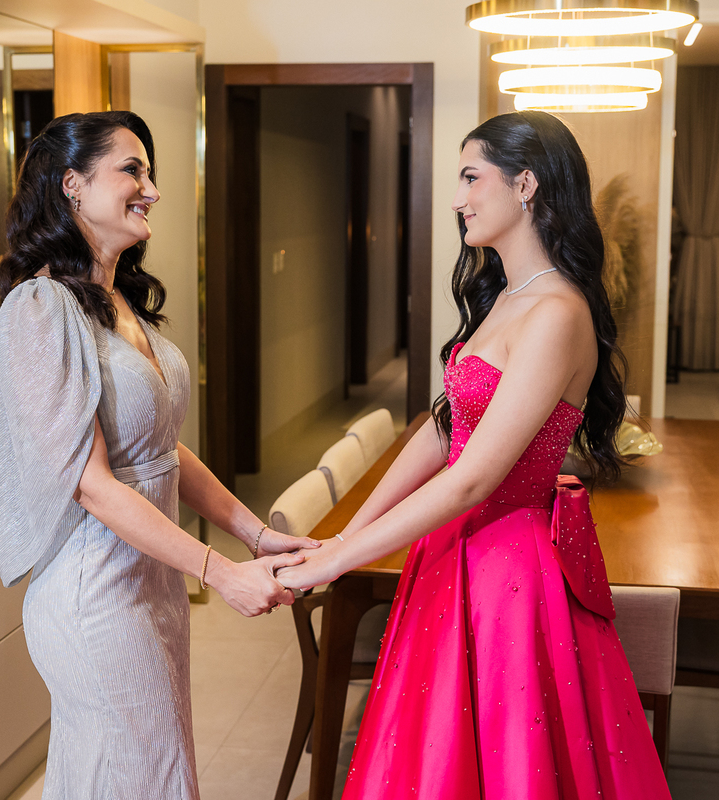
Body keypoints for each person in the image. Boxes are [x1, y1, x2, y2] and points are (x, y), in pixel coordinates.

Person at [276, 111, 671, 799]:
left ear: (525, 184)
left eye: (470, 177)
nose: (458, 199)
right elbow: (444, 431)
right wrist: (346, 534)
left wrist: (341, 560)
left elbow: (474, 477)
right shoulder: (509, 295)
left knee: (504, 757)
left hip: (508, 569)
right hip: (454, 551)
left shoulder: (557, 313)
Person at [0, 111, 315, 800]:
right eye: (132, 170)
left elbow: (161, 451)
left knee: (122, 778)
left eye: (150, 173)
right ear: (72, 185)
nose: (152, 190)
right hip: (95, 593)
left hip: (150, 583)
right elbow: (93, 486)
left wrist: (254, 534)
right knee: (148, 780)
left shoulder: (116, 299)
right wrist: (221, 573)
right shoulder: (40, 307)